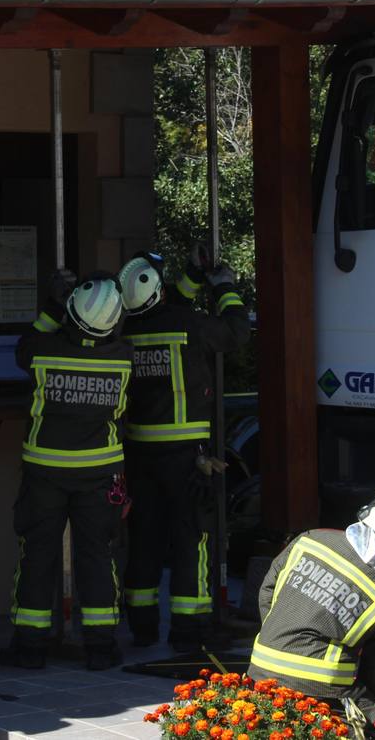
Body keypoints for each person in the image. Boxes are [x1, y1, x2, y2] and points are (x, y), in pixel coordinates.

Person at [0, 270, 134, 671]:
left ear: (72, 313)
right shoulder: (123, 356)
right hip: (100, 473)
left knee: (37, 556)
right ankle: (100, 647)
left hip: (45, 471)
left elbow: (24, 347)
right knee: (97, 556)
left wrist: (53, 305)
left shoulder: (42, 349)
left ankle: (29, 647)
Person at [117, 244, 250, 650]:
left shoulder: (125, 329)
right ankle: (187, 630)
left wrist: (193, 275)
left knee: (144, 539)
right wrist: (225, 288)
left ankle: (141, 627)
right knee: (193, 541)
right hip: (189, 460)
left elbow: (169, 304)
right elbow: (235, 332)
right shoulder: (187, 324)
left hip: (141, 456)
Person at [247, 487, 375, 740]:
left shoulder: (310, 539)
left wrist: (281, 633)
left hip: (260, 669)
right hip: (323, 691)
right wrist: (370, 708)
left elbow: (267, 592)